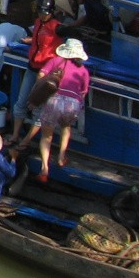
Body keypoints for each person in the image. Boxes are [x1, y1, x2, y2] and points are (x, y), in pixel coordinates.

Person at [31, 38, 91, 181]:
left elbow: (41, 74)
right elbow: (83, 93)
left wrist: (39, 89)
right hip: (72, 104)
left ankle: (44, 168)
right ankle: (61, 157)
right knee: (66, 127)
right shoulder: (83, 70)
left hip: (54, 100)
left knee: (47, 136)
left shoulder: (56, 61)